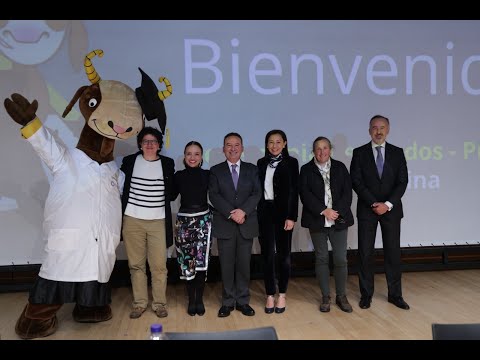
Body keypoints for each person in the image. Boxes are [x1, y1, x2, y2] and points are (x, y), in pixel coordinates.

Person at [350, 115, 409, 310]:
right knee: (365, 253)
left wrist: (388, 204)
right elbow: (356, 181)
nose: (378, 131)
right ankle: (366, 295)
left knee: (393, 253)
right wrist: (374, 203)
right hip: (367, 210)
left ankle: (395, 295)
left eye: (382, 127)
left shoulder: (398, 152)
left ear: (388, 130)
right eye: (374, 128)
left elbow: (402, 182)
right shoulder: (359, 153)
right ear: (369, 131)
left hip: (391, 211)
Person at [121, 126, 175, 319]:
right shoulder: (129, 162)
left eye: (153, 142)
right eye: (146, 141)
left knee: (159, 266)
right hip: (133, 220)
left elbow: (172, 192)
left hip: (158, 221)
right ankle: (139, 303)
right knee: (136, 265)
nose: (150, 145)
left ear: (159, 145)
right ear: (140, 144)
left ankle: (159, 304)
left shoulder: (168, 164)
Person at [209, 132, 261, 317]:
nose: (233, 148)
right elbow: (214, 195)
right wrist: (232, 213)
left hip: (247, 223)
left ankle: (243, 301)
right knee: (227, 265)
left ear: (242, 148)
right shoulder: (215, 170)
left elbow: (256, 193)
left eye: (236, 145)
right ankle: (228, 301)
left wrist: (243, 211)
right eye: (228, 145)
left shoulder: (252, 169)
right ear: (223, 149)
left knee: (244, 265)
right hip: (225, 224)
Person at [299, 136, 354, 313]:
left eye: (325, 148)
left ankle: (341, 295)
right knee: (321, 258)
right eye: (318, 148)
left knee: (340, 259)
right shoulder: (306, 169)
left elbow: (347, 193)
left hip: (339, 219)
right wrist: (324, 210)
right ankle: (325, 296)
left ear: (330, 149)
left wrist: (336, 212)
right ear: (313, 151)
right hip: (317, 220)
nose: (322, 152)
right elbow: (305, 195)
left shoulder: (340, 167)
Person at [257, 130, 299, 314]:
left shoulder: (291, 163)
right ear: (266, 145)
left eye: (278, 142)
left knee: (284, 256)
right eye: (271, 142)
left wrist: (292, 217)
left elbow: (293, 191)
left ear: (285, 143)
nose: (274, 145)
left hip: (284, 214)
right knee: (267, 255)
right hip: (265, 213)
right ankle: (269, 295)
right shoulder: (260, 163)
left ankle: (282, 293)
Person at [173, 141, 212, 316]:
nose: (192, 157)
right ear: (184, 156)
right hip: (184, 224)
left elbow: (218, 195)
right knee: (187, 262)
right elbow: (170, 194)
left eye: (196, 154)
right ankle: (191, 300)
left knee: (201, 263)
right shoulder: (178, 175)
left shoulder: (208, 175)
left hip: (203, 221)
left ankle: (199, 300)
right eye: (189, 153)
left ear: (202, 157)